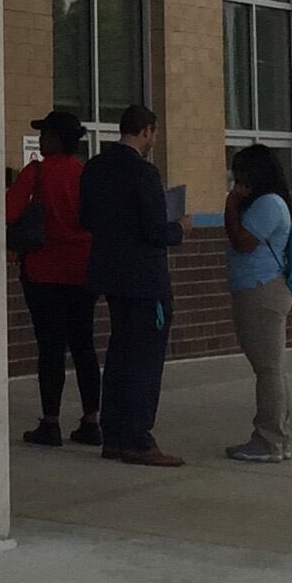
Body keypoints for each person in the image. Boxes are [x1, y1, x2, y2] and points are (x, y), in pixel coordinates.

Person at [78, 102, 185, 468]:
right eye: (153, 133)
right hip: (144, 279)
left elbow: (86, 219)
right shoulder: (144, 174)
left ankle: (114, 435)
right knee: (145, 360)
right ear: (146, 132)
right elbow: (156, 230)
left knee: (120, 354)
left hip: (109, 274)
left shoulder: (94, 168)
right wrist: (180, 228)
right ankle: (139, 438)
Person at [5, 108, 99, 445]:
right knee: (84, 345)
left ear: (56, 139)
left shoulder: (37, 172)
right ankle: (91, 420)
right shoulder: (86, 175)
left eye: (45, 134)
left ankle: (51, 421)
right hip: (82, 271)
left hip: (43, 272)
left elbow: (9, 210)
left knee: (50, 348)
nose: (41, 140)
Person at [222, 144, 292, 464]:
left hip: (262, 291)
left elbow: (241, 241)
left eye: (240, 172)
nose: (236, 179)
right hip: (256, 290)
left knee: (269, 369)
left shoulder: (269, 203)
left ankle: (270, 440)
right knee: (270, 368)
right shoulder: (267, 202)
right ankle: (275, 437)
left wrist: (231, 202)